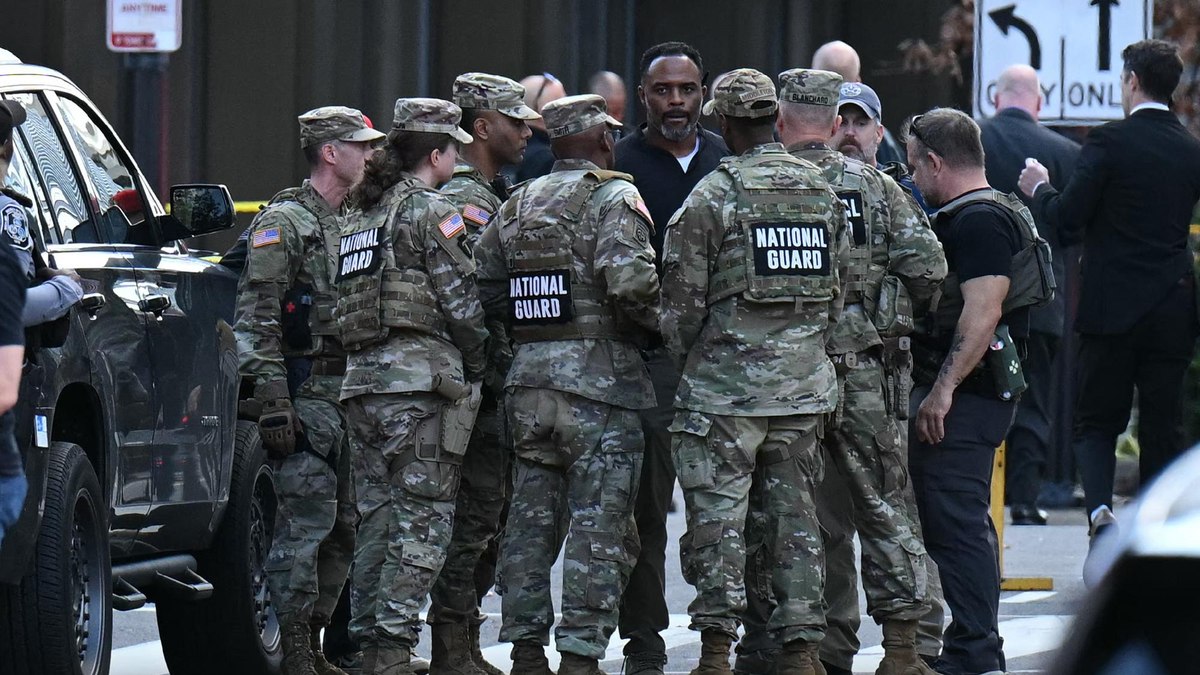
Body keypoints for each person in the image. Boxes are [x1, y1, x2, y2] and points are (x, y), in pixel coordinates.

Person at [739, 68, 944, 675]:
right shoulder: (876, 186)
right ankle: (904, 650)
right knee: (884, 505)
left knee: (795, 510)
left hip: (788, 370)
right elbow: (929, 269)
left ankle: (808, 650)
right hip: (864, 372)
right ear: (833, 123)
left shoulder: (762, 184)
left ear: (780, 122)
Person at [661, 68, 849, 675]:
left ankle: (716, 652)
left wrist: (694, 358)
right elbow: (836, 293)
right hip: (800, 388)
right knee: (796, 521)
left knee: (719, 522)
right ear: (774, 118)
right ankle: (800, 652)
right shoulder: (820, 189)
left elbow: (682, 304)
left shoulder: (713, 195)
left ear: (720, 122)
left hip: (725, 393)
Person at [475, 94, 659, 675]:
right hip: (602, 388)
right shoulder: (615, 196)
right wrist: (664, 325)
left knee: (529, 523)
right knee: (598, 527)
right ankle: (579, 657)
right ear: (604, 140)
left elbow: (483, 283)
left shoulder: (519, 201)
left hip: (530, 387)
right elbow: (629, 282)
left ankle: (526, 652)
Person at [1018, 39, 1200, 554]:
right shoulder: (1191, 149)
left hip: (1109, 308)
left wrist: (1041, 187)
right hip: (1172, 305)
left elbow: (1069, 220)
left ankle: (1100, 511)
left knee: (1096, 420)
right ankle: (1158, 534)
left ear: (1132, 82)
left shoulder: (1108, 142)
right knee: (1163, 424)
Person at [335, 98, 488, 675]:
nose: (458, 159)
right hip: (419, 388)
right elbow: (462, 303)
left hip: (361, 386)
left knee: (376, 519)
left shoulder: (360, 213)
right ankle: (394, 651)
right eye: (454, 149)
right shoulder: (432, 210)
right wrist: (478, 363)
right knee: (423, 520)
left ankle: (372, 646)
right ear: (435, 154)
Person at [234, 105, 381, 675]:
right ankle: (292, 644)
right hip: (304, 394)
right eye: (360, 146)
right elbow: (255, 317)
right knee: (304, 525)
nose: (371, 155)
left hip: (350, 393)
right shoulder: (285, 223)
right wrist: (273, 401)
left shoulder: (355, 219)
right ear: (329, 152)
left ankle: (314, 639)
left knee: (345, 525)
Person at [906, 107, 1045, 675]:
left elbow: (982, 310)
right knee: (962, 522)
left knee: (956, 526)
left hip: (969, 396)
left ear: (937, 161)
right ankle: (975, 645)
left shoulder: (978, 220)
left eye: (916, 165)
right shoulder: (989, 210)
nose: (912, 176)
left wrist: (941, 392)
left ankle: (974, 651)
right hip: (979, 392)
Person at [611, 41, 729, 675]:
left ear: (703, 92)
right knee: (646, 510)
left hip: (725, 362)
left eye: (686, 88)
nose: (676, 101)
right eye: (663, 90)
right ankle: (645, 644)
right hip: (649, 360)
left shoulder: (725, 160)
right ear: (643, 95)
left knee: (727, 509)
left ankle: (727, 641)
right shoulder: (620, 164)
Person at [429, 72, 538, 675]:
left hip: (488, 384)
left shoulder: (492, 196)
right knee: (473, 516)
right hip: (476, 389)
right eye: (515, 120)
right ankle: (452, 648)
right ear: (480, 127)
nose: (526, 130)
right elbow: (470, 305)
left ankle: (463, 642)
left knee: (485, 517)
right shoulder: (467, 205)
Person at [980, 64, 1080, 527]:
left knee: (976, 394)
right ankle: (1024, 497)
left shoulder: (973, 141)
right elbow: (1073, 228)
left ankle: (978, 495)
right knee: (1035, 399)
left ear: (995, 99)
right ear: (1039, 103)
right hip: (1043, 301)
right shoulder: (1066, 153)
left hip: (979, 297)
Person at [812, 41, 905, 167]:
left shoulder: (790, 128)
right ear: (858, 81)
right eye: (841, 123)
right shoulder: (884, 144)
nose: (850, 132)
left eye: (861, 123)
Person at [514, 73, 567, 183]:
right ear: (541, 111)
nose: (570, 112)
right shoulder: (546, 160)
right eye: (562, 106)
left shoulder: (508, 151)